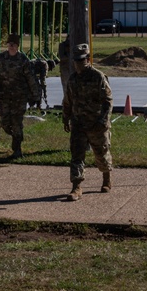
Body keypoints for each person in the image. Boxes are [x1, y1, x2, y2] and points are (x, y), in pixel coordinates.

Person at [61, 43, 113, 201]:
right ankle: (76, 187)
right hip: (78, 124)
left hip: (96, 123)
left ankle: (106, 178)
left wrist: (103, 120)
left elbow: (108, 100)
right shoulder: (73, 78)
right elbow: (68, 101)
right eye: (76, 60)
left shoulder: (98, 77)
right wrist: (65, 117)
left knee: (101, 154)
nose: (78, 63)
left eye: (81, 59)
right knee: (77, 156)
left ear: (88, 59)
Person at [0, 34, 40, 158]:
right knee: (5, 123)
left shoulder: (23, 60)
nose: (11, 46)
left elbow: (31, 79)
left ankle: (17, 148)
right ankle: (16, 137)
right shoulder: (0, 59)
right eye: (9, 44)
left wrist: (35, 96)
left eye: (14, 44)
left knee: (16, 122)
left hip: (19, 97)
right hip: (4, 97)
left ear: (17, 46)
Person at [56, 36, 71, 100]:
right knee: (66, 86)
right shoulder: (62, 45)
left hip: (74, 68)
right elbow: (62, 57)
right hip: (65, 68)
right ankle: (67, 101)